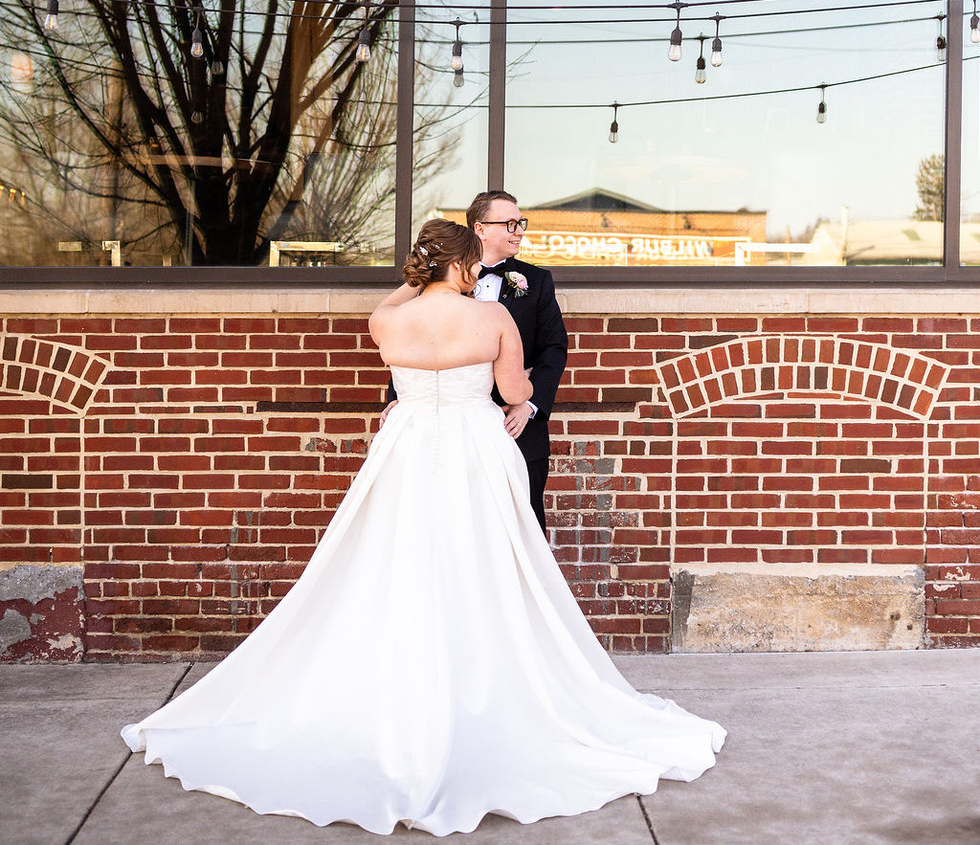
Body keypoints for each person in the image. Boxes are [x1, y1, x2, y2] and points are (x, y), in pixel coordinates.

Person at [121, 219, 724, 836]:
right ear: (465, 264)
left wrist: (422, 280)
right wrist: (516, 398)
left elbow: (395, 302)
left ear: (419, 267)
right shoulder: (492, 321)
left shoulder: (387, 321)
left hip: (406, 445)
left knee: (393, 555)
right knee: (486, 560)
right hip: (473, 445)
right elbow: (514, 387)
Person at [385, 189, 567, 534]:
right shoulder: (431, 283)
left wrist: (527, 405)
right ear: (479, 228)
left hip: (517, 432)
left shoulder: (537, 281)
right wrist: (400, 399)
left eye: (521, 223)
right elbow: (413, 346)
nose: (519, 230)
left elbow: (554, 350)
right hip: (437, 434)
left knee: (521, 531)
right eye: (510, 223)